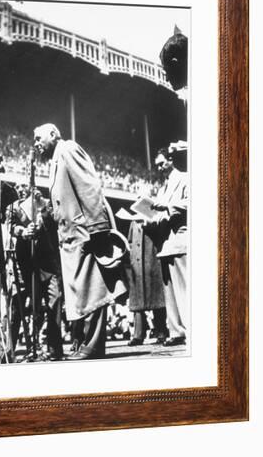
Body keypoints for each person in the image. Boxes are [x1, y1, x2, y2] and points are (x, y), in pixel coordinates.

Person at [33, 123, 127, 360]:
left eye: (38, 138)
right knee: (81, 292)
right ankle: (83, 343)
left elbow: (89, 186)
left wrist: (97, 229)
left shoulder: (68, 149)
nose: (35, 144)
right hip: (69, 238)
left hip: (84, 234)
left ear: (53, 135)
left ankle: (93, 345)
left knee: (93, 289)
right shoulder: (56, 159)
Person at [6, 185, 63, 360]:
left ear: (32, 186)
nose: (20, 189)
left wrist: (41, 209)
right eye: (17, 187)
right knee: (18, 306)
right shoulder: (13, 207)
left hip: (48, 263)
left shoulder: (44, 203)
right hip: (25, 264)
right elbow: (11, 226)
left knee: (55, 301)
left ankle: (54, 348)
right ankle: (9, 349)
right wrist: (23, 231)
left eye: (24, 185)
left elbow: (55, 222)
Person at [146, 145, 188, 346]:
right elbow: (160, 214)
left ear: (171, 160)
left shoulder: (185, 178)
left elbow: (191, 202)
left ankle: (189, 328)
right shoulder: (163, 187)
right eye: (157, 165)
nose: (160, 168)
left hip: (179, 237)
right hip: (165, 241)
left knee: (183, 288)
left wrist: (168, 206)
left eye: (162, 163)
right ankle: (176, 331)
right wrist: (148, 218)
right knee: (169, 290)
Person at [126, 217, 168, 345]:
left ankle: (161, 332)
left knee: (157, 297)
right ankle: (138, 334)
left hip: (152, 261)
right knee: (137, 301)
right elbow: (130, 241)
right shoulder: (133, 221)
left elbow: (162, 234)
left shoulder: (155, 217)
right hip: (136, 265)